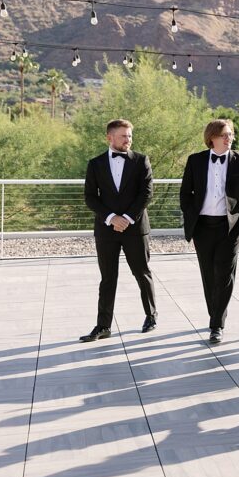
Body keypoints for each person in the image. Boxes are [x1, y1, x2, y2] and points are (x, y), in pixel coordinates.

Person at [80, 119, 157, 342]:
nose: (128, 140)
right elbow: (90, 197)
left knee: (142, 273)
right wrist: (112, 218)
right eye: (124, 136)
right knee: (108, 278)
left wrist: (127, 218)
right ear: (110, 137)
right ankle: (103, 326)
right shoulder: (95, 164)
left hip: (135, 228)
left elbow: (147, 193)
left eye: (130, 135)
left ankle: (150, 316)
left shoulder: (142, 160)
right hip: (106, 230)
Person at [179, 119, 239, 344]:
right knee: (208, 274)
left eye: (230, 134)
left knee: (224, 274)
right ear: (212, 137)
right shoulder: (196, 161)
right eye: (224, 135)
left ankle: (216, 324)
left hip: (228, 227)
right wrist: (192, 215)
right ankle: (215, 314)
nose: (229, 138)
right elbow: (185, 193)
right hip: (202, 227)